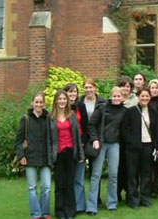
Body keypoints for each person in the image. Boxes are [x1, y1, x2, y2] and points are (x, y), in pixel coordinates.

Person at [86, 87, 126, 215]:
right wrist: (95, 139)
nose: (116, 98)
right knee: (96, 174)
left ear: (122, 97)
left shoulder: (124, 111)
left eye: (119, 96)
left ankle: (112, 203)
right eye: (114, 96)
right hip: (101, 144)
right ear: (111, 96)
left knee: (113, 174)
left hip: (115, 144)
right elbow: (91, 124)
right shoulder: (102, 108)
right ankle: (92, 206)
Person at [120, 88, 158, 209]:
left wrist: (157, 147)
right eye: (142, 96)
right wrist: (130, 141)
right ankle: (132, 199)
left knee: (146, 173)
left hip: (148, 146)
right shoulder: (131, 111)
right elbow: (124, 129)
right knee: (132, 173)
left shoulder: (153, 111)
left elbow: (156, 131)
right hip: (133, 147)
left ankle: (145, 197)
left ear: (150, 97)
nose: (145, 98)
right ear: (138, 97)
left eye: (147, 96)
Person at [15, 92, 53, 219]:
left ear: (44, 103)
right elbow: (19, 140)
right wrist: (21, 156)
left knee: (47, 187)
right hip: (30, 157)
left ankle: (45, 212)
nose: (38, 104)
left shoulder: (48, 118)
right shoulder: (25, 119)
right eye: (36, 102)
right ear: (32, 103)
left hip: (45, 157)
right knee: (32, 187)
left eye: (41, 102)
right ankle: (36, 214)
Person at [49, 90, 84, 219]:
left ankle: (70, 211)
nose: (62, 101)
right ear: (56, 101)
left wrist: (81, 154)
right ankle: (60, 211)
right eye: (60, 99)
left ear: (67, 101)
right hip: (57, 153)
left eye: (64, 99)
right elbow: (49, 139)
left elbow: (77, 137)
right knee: (60, 184)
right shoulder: (51, 117)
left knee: (70, 184)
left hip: (71, 152)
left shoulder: (72, 116)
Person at [78, 78, 105, 207]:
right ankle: (81, 199)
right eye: (86, 87)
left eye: (91, 87)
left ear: (95, 88)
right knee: (80, 170)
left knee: (96, 170)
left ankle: (96, 198)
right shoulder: (79, 102)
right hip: (83, 138)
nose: (88, 90)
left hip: (96, 139)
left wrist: (98, 138)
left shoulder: (102, 102)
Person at [63, 83, 88, 214]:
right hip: (66, 146)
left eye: (75, 92)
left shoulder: (81, 106)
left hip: (80, 146)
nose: (73, 94)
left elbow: (85, 125)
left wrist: (82, 143)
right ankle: (69, 205)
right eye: (70, 92)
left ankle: (80, 206)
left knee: (79, 177)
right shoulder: (61, 107)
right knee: (69, 178)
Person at [116, 76, 138, 203]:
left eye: (128, 86)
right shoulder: (115, 99)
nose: (125, 88)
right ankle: (117, 193)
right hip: (117, 140)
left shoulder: (135, 101)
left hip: (130, 140)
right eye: (123, 86)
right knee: (118, 168)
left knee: (130, 168)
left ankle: (131, 193)